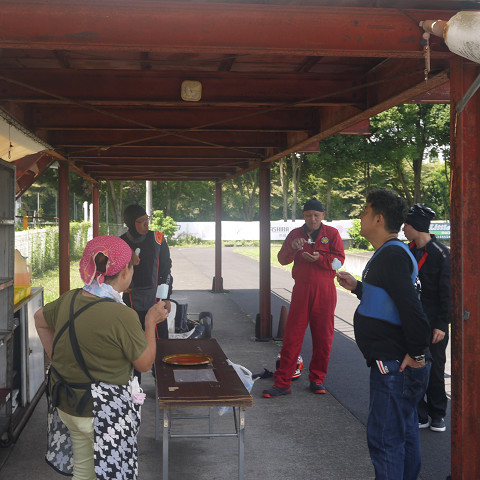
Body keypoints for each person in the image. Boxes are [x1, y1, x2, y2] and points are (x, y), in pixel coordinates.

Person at [34, 236, 168, 480]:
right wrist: (150, 322)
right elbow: (144, 363)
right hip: (103, 413)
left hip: (69, 404)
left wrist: (60, 359)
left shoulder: (69, 298)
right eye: (132, 267)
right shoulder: (121, 315)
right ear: (125, 271)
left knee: (84, 471)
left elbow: (40, 318)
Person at [337, 189, 431, 480]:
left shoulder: (391, 255)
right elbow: (390, 298)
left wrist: (416, 354)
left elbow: (413, 310)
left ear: (378, 219)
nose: (360, 216)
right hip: (396, 362)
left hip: (394, 365)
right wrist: (358, 288)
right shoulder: (390, 252)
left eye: (365, 212)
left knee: (386, 439)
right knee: (404, 433)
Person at [262, 198, 345, 398]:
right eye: (308, 215)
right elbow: (282, 260)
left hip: (325, 291)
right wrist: (292, 246)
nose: (312, 219)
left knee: (323, 337)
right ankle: (283, 382)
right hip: (301, 291)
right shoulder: (295, 234)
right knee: (292, 337)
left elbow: (338, 262)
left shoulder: (332, 234)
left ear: (323, 215)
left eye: (316, 215)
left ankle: (317, 379)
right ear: (303, 216)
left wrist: (320, 259)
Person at [403, 203, 451, 433]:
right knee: (415, 365)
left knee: (436, 369)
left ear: (417, 226)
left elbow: (448, 292)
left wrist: (442, 324)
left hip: (434, 323)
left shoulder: (441, 253)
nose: (403, 228)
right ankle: (420, 412)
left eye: (406, 224)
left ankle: (438, 414)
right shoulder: (406, 251)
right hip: (413, 320)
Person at [120, 205, 173, 344]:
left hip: (156, 298)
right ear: (131, 223)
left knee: (160, 342)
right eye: (141, 221)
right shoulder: (121, 243)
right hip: (131, 299)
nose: (146, 224)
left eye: (147, 219)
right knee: (134, 341)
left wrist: (166, 298)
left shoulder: (158, 239)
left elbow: (166, 270)